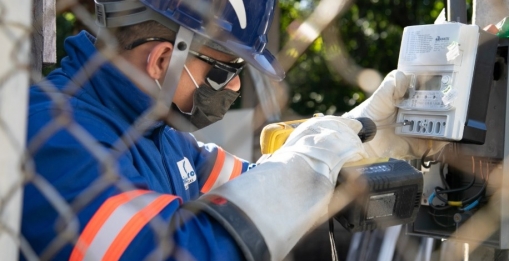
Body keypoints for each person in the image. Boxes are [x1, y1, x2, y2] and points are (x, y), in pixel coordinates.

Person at [22, 0, 444, 260]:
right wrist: (305, 164)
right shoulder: (52, 135)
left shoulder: (161, 137)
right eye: (227, 69)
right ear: (163, 61)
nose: (237, 86)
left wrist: (364, 134)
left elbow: (259, 184)